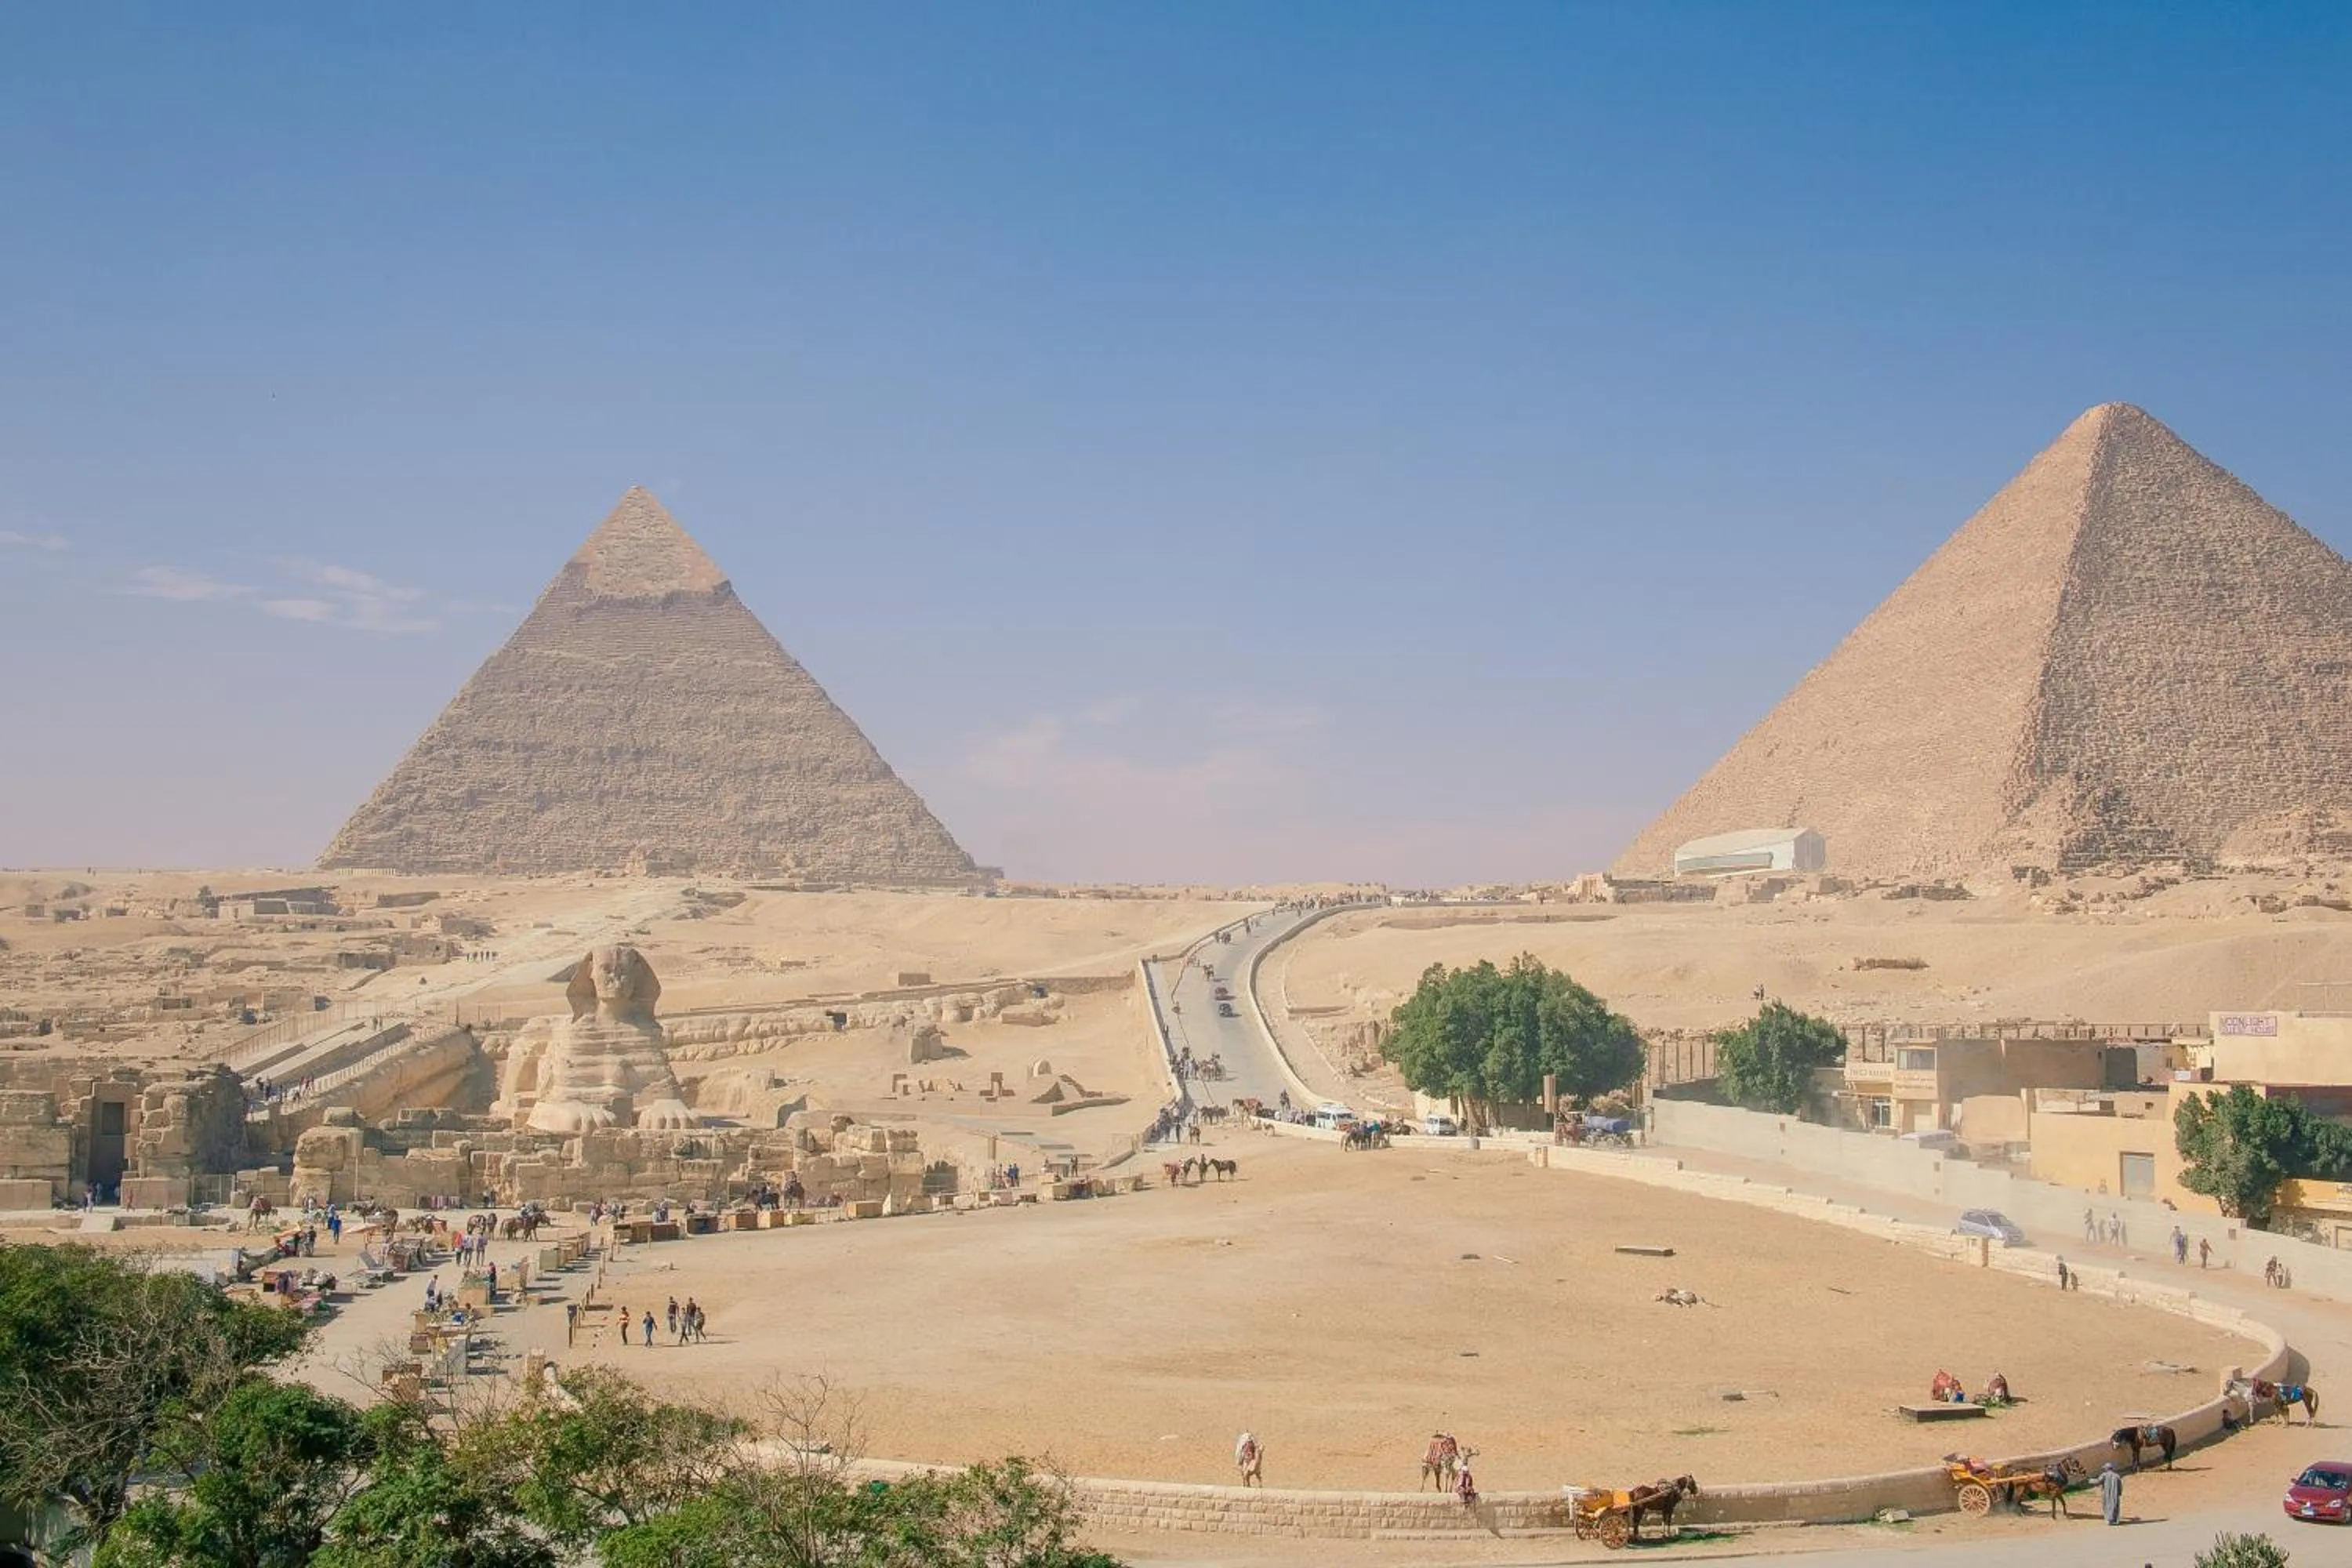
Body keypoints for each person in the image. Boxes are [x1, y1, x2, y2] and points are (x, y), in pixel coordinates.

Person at [2099, 1460, 2123, 1526]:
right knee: (2115, 1506)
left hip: (2106, 1493)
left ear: (2107, 1468)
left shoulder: (2104, 1475)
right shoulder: (2117, 1476)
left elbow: (2098, 1481)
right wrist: (2119, 1492)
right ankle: (2115, 1520)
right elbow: (2120, 1486)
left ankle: (2109, 1519)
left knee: (2107, 1506)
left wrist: (2090, 1480)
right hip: (2115, 1494)